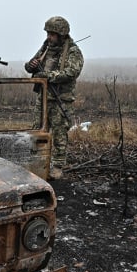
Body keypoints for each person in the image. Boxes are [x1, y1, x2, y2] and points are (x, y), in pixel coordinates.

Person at [25, 16, 84, 180]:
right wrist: (31, 66)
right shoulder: (46, 48)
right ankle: (37, 163)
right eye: (48, 33)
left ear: (62, 34)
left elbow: (71, 72)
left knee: (59, 134)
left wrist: (48, 76)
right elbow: (32, 63)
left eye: (52, 34)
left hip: (61, 99)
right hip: (43, 97)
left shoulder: (73, 52)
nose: (49, 37)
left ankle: (57, 166)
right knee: (37, 131)